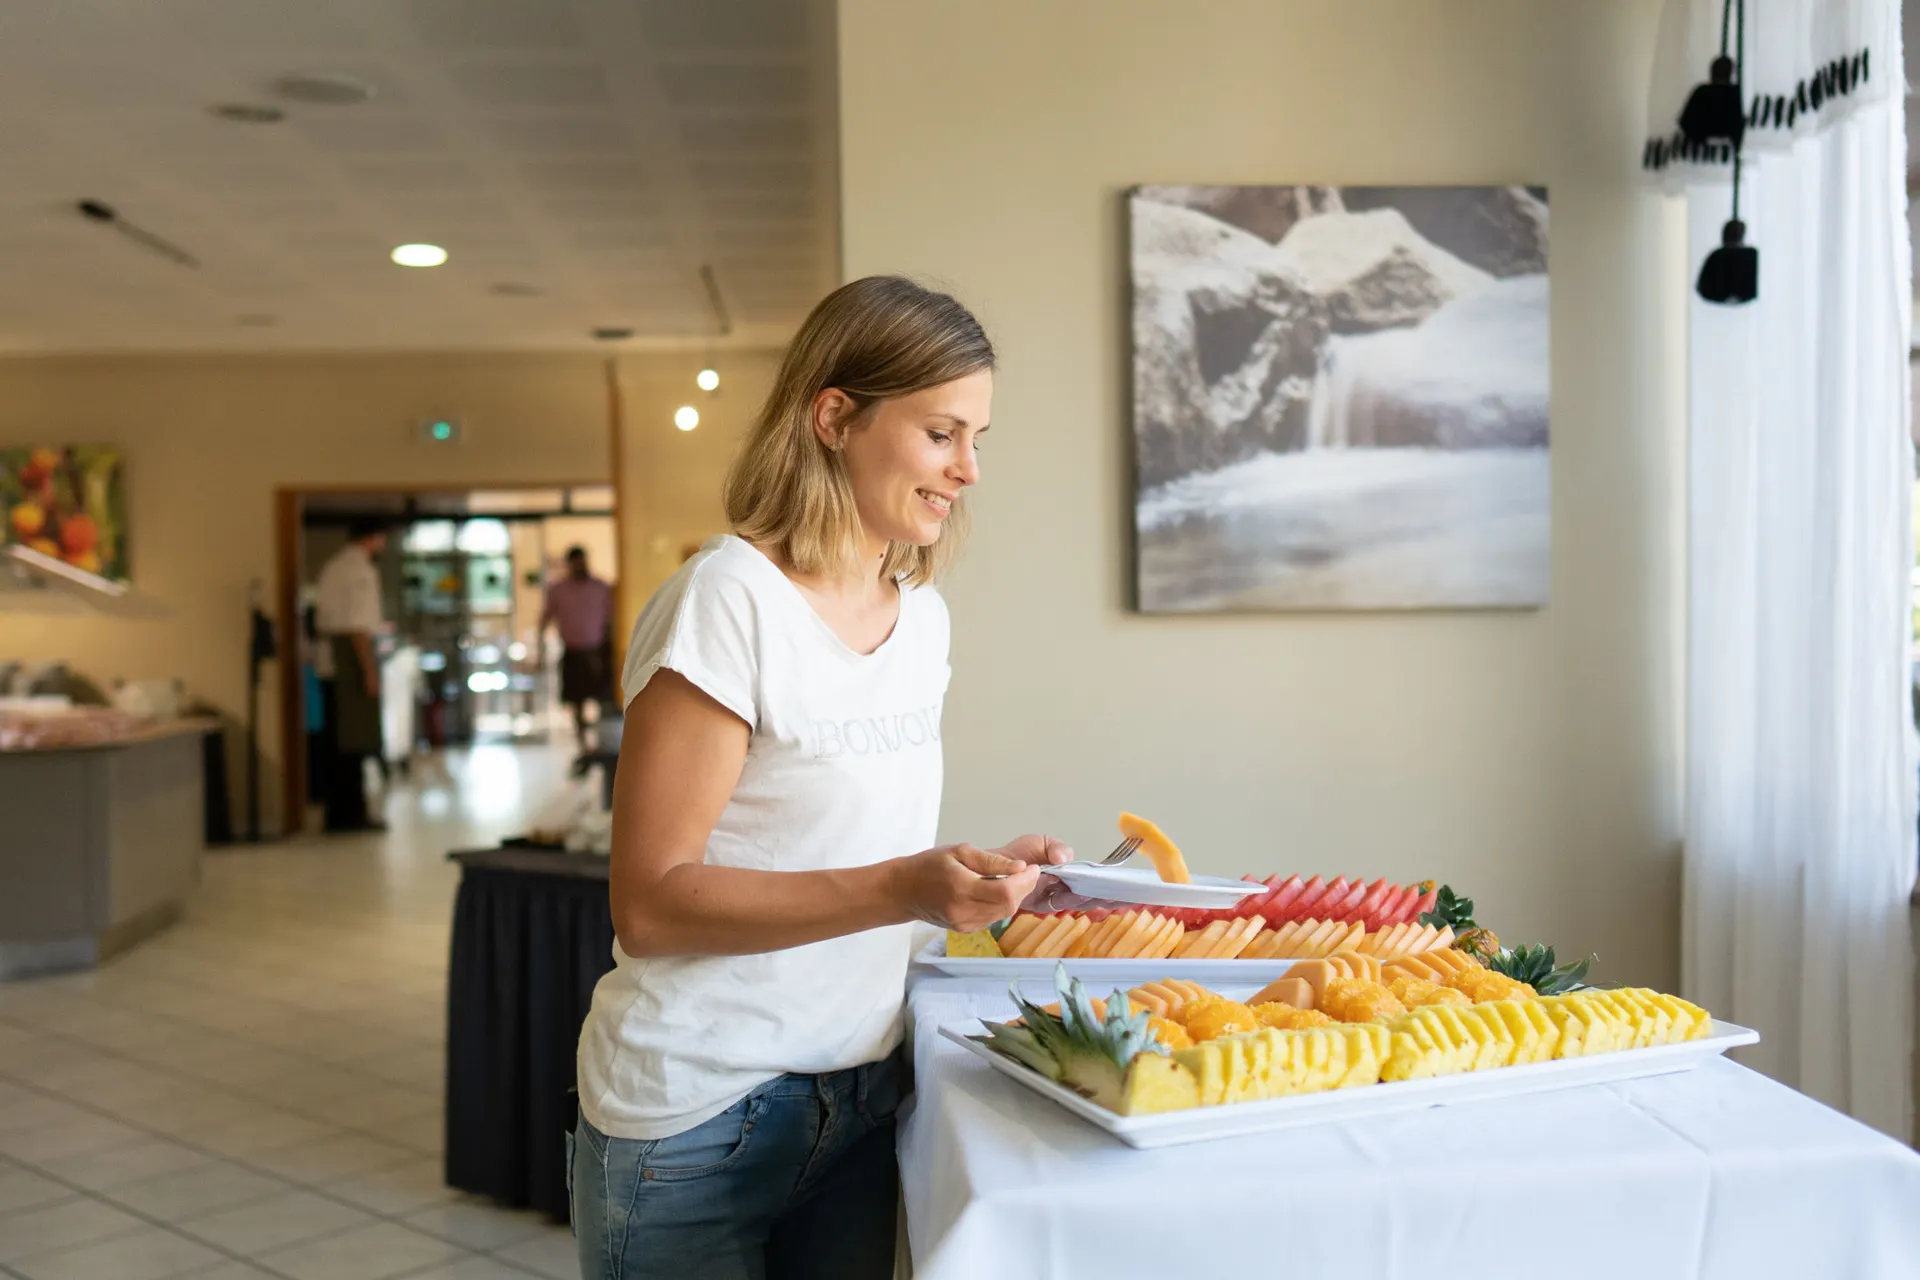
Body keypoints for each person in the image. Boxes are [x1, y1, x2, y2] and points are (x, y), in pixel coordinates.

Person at [571, 276, 1071, 1280]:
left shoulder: (921, 618)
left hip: (862, 1093)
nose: (969, 469)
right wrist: (904, 887)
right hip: (699, 1115)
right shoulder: (727, 600)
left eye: (977, 438)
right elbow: (651, 904)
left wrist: (972, 878)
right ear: (835, 417)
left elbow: (837, 845)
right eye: (941, 434)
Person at [313, 517, 389, 833]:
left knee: (336, 740)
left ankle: (339, 813)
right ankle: (351, 814)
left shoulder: (333, 566)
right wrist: (369, 671)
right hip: (349, 661)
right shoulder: (360, 571)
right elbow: (358, 628)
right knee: (353, 740)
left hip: (330, 663)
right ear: (373, 538)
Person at [540, 545, 614, 746]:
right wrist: (540, 650)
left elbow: (612, 619)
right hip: (572, 651)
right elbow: (545, 619)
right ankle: (583, 745)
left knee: (603, 698)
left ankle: (602, 742)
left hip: (597, 651)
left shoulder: (600, 588)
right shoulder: (558, 590)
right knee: (575, 701)